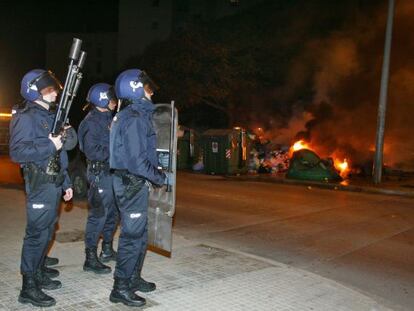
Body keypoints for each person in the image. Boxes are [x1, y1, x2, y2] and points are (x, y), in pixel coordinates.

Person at [9, 69, 74, 307]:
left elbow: (59, 156)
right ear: (34, 91)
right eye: (49, 89)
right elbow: (17, 153)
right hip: (39, 184)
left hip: (53, 182)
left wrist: (66, 182)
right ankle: (28, 287)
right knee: (36, 235)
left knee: (47, 231)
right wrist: (50, 145)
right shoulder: (26, 117)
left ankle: (37, 273)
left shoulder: (48, 114)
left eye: (53, 87)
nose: (55, 92)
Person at [109, 69, 168, 307]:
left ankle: (133, 278)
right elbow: (136, 161)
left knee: (140, 235)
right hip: (131, 183)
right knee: (132, 238)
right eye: (147, 87)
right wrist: (159, 177)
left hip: (134, 183)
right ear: (136, 89)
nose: (151, 91)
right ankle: (120, 288)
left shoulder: (135, 115)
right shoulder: (133, 118)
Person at [78, 83, 118, 274]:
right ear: (102, 99)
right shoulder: (91, 121)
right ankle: (90, 258)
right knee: (98, 216)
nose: (115, 101)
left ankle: (107, 249)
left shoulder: (108, 117)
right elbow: (92, 151)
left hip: (111, 173)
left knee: (113, 214)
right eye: (111, 98)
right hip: (99, 173)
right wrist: (115, 149)